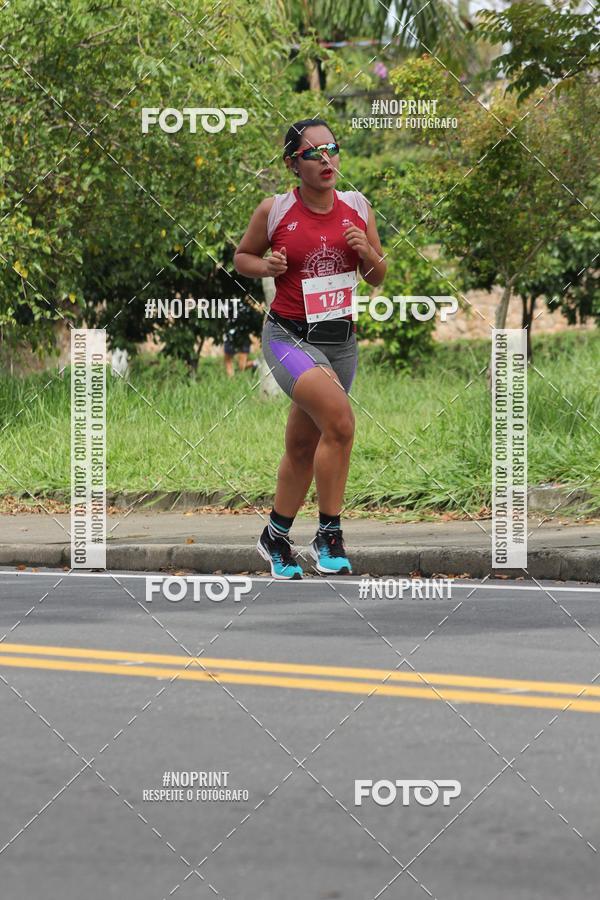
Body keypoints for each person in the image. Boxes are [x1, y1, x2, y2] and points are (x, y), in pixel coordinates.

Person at [233, 118, 386, 579]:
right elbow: (242, 257)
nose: (326, 160)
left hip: (340, 343)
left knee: (304, 445)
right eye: (313, 153)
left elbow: (378, 275)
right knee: (340, 420)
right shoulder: (274, 210)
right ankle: (328, 534)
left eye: (332, 149)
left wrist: (366, 252)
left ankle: (275, 538)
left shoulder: (358, 207)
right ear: (292, 164)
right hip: (289, 339)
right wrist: (267, 265)